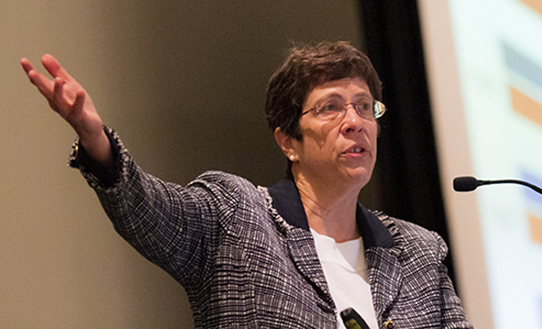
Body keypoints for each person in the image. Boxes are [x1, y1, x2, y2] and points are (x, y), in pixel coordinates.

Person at [21, 42, 472, 329]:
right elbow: (149, 212)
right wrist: (97, 141)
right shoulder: (237, 216)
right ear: (288, 140)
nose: (355, 122)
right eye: (331, 107)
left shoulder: (417, 253)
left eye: (363, 106)